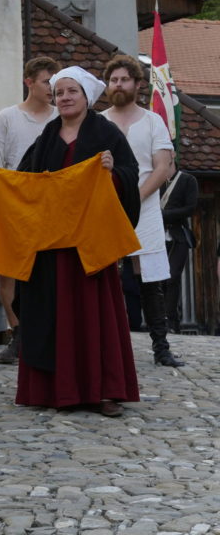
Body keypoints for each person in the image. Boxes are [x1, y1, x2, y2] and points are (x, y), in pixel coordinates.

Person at [11, 66, 141, 416]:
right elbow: (27, 182)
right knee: (51, 315)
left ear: (86, 97)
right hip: (51, 247)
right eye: (59, 93)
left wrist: (113, 173)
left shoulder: (106, 133)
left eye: (72, 92)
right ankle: (53, 390)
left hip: (89, 248)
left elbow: (130, 177)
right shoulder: (47, 137)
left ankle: (103, 391)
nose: (65, 98)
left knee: (92, 319)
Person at [102, 54, 184, 367]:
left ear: (138, 84)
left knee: (147, 275)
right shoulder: (98, 122)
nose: (118, 85)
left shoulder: (153, 121)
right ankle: (105, 345)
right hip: (104, 209)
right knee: (102, 272)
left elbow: (162, 168)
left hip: (145, 208)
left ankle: (161, 346)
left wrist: (133, 199)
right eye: (113, 80)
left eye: (124, 79)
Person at [0, 56, 59, 364]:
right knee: (9, 274)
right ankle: (18, 333)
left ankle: (48, 335)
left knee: (48, 273)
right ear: (29, 82)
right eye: (47, 82)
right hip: (15, 203)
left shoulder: (60, 118)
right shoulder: (7, 117)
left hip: (51, 206)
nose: (53, 89)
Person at [160, 165, 198, 332]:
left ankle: (171, 321)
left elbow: (190, 208)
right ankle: (161, 320)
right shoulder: (156, 180)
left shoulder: (188, 180)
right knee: (158, 280)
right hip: (158, 236)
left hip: (178, 235)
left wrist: (165, 215)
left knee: (173, 276)